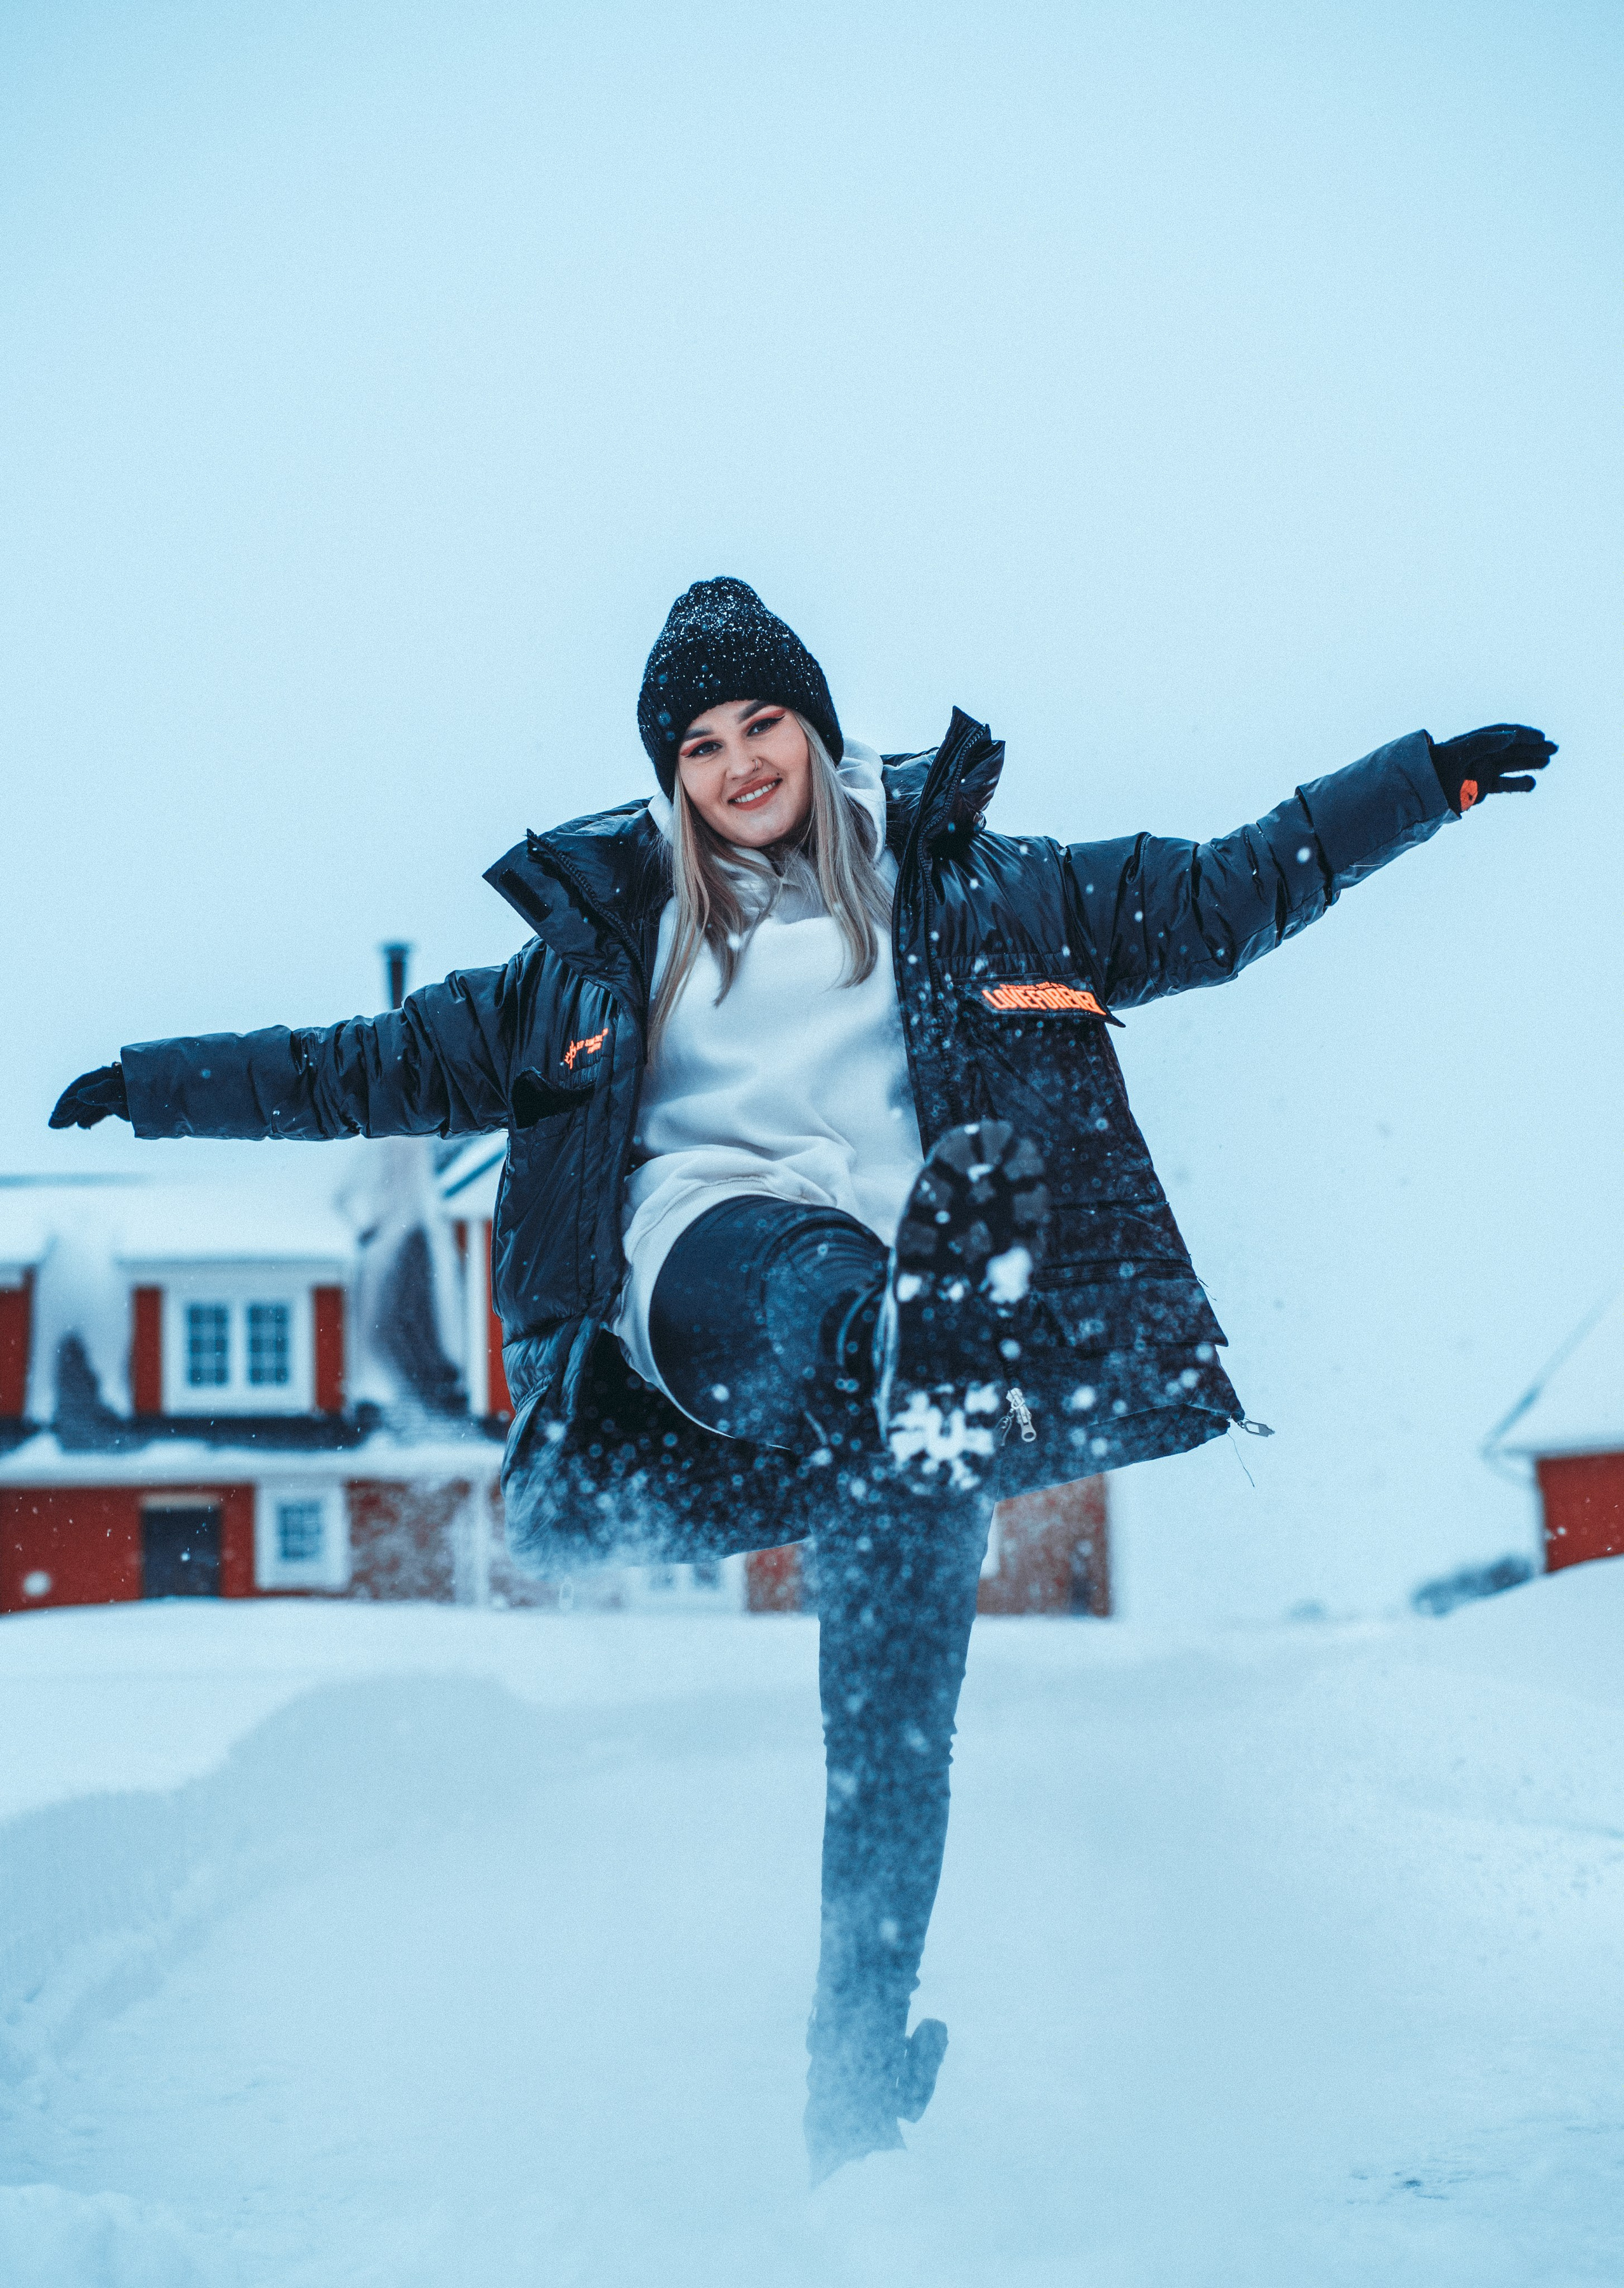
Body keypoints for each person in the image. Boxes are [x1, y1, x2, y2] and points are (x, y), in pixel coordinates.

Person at [51, 577, 1555, 2181]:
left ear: (816, 727)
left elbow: (1212, 898)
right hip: (712, 1296)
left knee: (893, 1739)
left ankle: (853, 2081)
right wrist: (150, 1088)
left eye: (761, 722)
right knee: (778, 1258)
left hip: (922, 1384)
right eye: (698, 744)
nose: (736, 763)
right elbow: (356, 1063)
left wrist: (1424, 781)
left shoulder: (979, 891)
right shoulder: (592, 954)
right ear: (668, 775)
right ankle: (897, 1328)